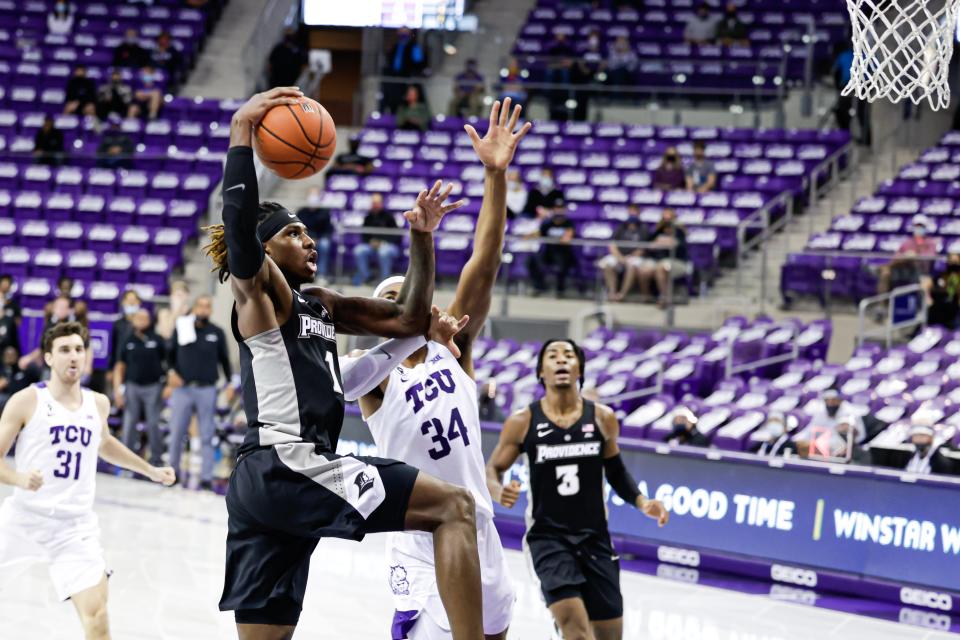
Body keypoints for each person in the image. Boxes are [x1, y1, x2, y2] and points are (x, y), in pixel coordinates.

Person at [204, 87, 484, 638]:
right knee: (454, 507)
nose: (309, 240)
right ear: (265, 249)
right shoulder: (262, 294)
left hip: (267, 484)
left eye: (308, 231)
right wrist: (242, 131)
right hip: (289, 461)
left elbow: (407, 320)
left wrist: (421, 239)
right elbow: (239, 238)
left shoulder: (320, 304)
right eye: (293, 232)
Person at [342, 99, 531, 640]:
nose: (403, 304)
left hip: (481, 523)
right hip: (418, 533)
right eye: (390, 302)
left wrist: (495, 174)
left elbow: (485, 261)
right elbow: (346, 372)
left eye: (408, 295)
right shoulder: (374, 375)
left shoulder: (454, 347)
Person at [0, 322, 174, 640]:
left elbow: (104, 443)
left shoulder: (98, 403)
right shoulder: (26, 401)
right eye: (65, 350)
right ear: (49, 358)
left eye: (79, 349)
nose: (74, 356)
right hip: (23, 519)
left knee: (97, 614)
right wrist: (19, 478)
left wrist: (149, 470)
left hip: (74, 528)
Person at [486, 339, 669, 640]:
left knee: (608, 636)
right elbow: (492, 468)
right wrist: (498, 490)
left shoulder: (602, 417)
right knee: (575, 628)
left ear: (579, 369)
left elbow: (616, 470)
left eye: (568, 356)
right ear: (541, 371)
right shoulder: (522, 421)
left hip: (595, 538)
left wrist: (642, 501)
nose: (561, 360)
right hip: (548, 538)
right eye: (553, 356)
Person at [165, 295, 231, 491]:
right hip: (182, 389)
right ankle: (172, 473)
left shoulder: (217, 332)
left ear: (210, 310)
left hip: (207, 389)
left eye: (207, 306)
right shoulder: (182, 327)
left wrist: (228, 383)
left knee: (207, 434)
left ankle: (206, 477)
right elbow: (169, 355)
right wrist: (170, 373)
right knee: (176, 432)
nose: (203, 309)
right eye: (200, 305)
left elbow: (225, 360)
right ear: (194, 308)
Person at [113, 309, 167, 467]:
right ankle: (126, 461)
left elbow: (167, 362)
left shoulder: (157, 339)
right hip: (132, 386)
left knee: (153, 423)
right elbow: (120, 365)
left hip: (153, 386)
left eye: (145, 317)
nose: (142, 320)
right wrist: (117, 389)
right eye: (138, 317)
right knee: (129, 423)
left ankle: (156, 459)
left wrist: (167, 385)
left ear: (150, 320)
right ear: (133, 320)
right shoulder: (127, 340)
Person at [526, 195, 577, 297]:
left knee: (562, 265)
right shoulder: (547, 223)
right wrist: (527, 236)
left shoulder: (568, 223)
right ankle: (539, 287)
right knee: (531, 261)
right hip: (548, 253)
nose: (558, 210)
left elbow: (568, 236)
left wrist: (564, 238)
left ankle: (560, 290)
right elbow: (538, 233)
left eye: (561, 208)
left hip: (563, 253)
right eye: (556, 208)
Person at [637, 209, 689, 308]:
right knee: (643, 270)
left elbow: (675, 245)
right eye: (664, 219)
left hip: (677, 262)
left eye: (669, 219)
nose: (667, 222)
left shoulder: (679, 232)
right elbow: (649, 246)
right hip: (657, 260)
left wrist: (662, 242)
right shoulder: (658, 231)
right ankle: (646, 296)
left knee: (661, 268)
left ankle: (665, 298)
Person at [877, 216, 938, 296]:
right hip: (904, 271)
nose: (919, 229)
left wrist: (916, 255)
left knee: (911, 256)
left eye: (921, 226)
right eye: (917, 226)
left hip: (922, 272)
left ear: (925, 227)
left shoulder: (930, 243)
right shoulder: (907, 242)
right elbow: (897, 256)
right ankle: (883, 303)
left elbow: (930, 257)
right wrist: (907, 255)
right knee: (885, 274)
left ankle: (887, 266)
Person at [599, 205, 648, 302]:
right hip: (619, 255)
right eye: (630, 212)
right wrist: (620, 258)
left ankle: (622, 294)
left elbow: (643, 248)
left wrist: (629, 257)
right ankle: (612, 293)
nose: (632, 215)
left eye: (634, 213)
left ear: (638, 214)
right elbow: (612, 245)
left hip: (634, 257)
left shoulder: (643, 228)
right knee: (607, 264)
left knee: (631, 265)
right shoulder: (621, 226)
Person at [353, 193, 401, 285]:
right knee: (359, 250)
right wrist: (370, 242)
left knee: (383, 252)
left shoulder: (389, 217)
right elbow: (364, 235)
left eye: (377, 203)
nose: (374, 205)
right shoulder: (368, 217)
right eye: (373, 203)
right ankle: (368, 277)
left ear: (381, 203)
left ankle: (384, 281)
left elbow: (397, 236)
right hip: (371, 245)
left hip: (388, 246)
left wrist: (382, 242)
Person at [382, 28, 426, 113]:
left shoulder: (414, 46)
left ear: (409, 34)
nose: (402, 36)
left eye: (405, 33)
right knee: (393, 99)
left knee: (408, 99)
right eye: (401, 33)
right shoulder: (396, 46)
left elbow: (419, 61)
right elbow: (390, 61)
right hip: (395, 78)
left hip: (407, 79)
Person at [296, 188, 333, 282]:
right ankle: (300, 273)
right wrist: (309, 238)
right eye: (311, 195)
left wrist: (318, 238)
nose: (313, 198)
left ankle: (321, 275)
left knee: (325, 245)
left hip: (320, 239)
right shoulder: (301, 212)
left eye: (315, 196)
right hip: (304, 240)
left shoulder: (325, 212)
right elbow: (298, 229)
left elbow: (328, 230)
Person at [927, 252, 960, 328]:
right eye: (951, 261)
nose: (953, 264)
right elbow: (928, 283)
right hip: (938, 309)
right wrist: (928, 297)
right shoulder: (941, 274)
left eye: (956, 262)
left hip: (954, 311)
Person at [0, 275, 20, 354]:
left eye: (7, 285)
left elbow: (18, 322)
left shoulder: (13, 305)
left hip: (8, 341)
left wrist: (7, 320)